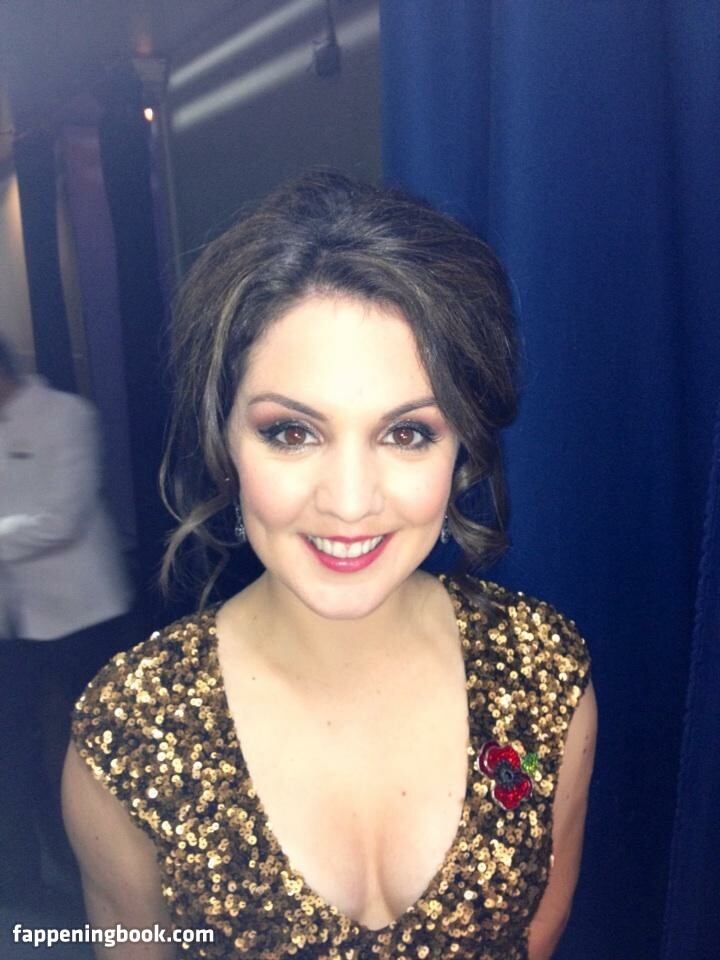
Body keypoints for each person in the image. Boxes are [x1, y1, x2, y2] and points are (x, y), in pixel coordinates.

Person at [63, 172, 596, 960]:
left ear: (461, 449)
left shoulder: (544, 673)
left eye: (407, 434)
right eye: (292, 432)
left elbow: (539, 935)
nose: (349, 503)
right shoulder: (129, 732)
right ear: (225, 442)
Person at [0, 337, 132, 908]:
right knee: (17, 751)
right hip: (14, 622)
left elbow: (62, 517)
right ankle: (24, 880)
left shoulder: (65, 416)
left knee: (98, 745)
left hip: (82, 613)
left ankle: (116, 871)